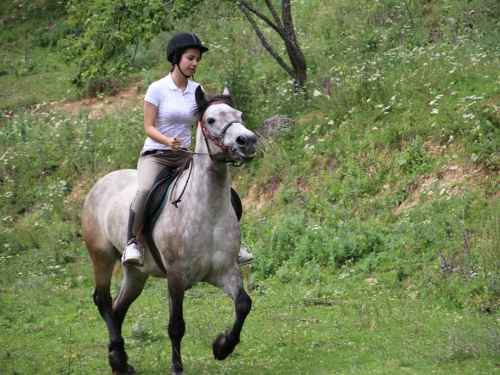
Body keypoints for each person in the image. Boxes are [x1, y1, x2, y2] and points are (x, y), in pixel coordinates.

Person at [122, 32, 254, 266]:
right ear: (175, 58)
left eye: (197, 60)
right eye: (190, 58)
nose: (194, 64)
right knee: (144, 191)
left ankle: (233, 245)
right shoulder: (157, 89)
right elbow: (148, 127)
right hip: (157, 155)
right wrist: (167, 141)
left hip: (186, 156)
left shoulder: (197, 90)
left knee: (225, 192)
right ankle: (132, 242)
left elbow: (201, 127)